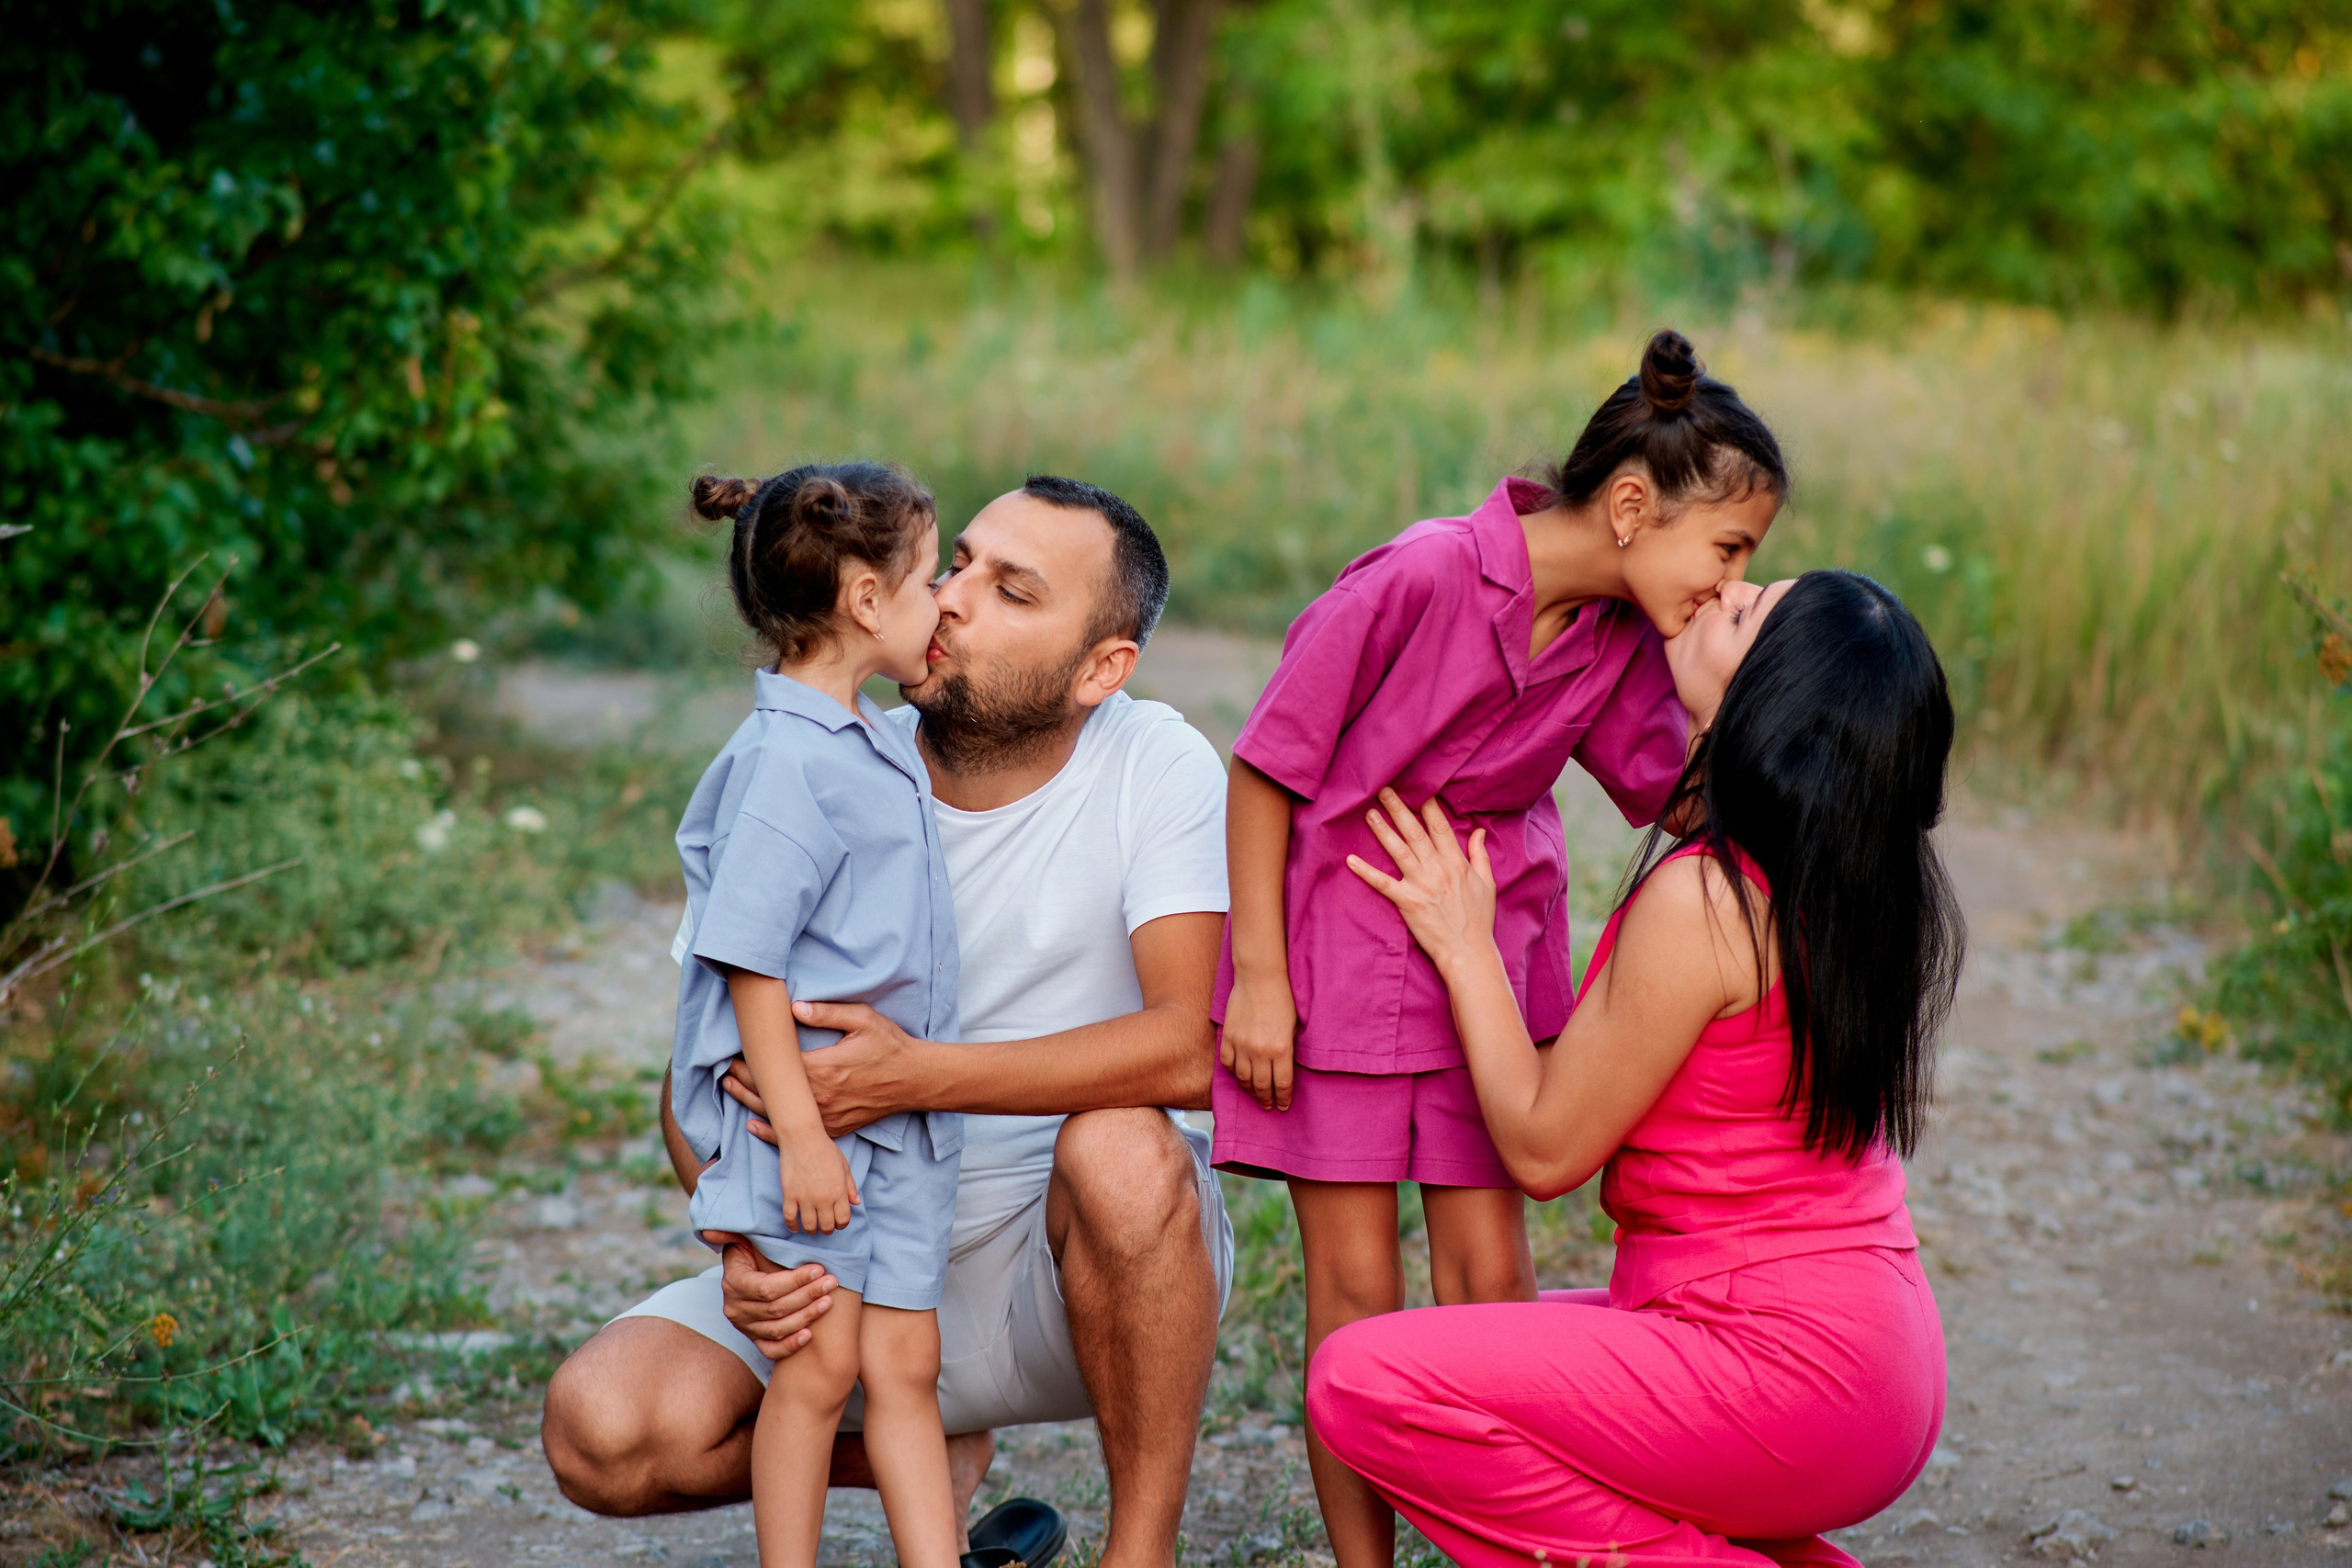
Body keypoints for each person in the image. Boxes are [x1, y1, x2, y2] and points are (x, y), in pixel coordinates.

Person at [543, 476, 1235, 1568]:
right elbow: (705, 1064)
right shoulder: (808, 766)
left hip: (1046, 1272)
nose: (955, 598)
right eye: (956, 564)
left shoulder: (1153, 763)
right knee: (604, 1432)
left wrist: (916, 1076)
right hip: (836, 1239)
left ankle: (1137, 1553)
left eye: (1013, 591)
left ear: (1103, 667)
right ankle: (922, 1460)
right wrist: (740, 1241)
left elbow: (1190, 1047)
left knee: (1124, 1149)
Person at [1213, 329, 1789, 1568]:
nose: (1732, 575)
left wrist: (1765, 696)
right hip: (1336, 965)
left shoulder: (1622, 636)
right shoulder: (1417, 577)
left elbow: (1675, 794)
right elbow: (1264, 767)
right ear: (1632, 506)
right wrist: (1260, 977)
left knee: (1491, 1281)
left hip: (1491, 960)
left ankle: (1517, 1543)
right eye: (1729, 549)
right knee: (1354, 1288)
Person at [1319, 570, 1962, 1568]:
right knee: (1499, 1364)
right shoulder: (1849, 884)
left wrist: (1463, 945)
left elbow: (1542, 1148)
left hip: (1789, 1366)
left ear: (1776, 701)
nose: (1724, 587)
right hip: (1874, 1364)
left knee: (1363, 1379)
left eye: (1746, 612)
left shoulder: (1709, 901)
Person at [664, 463, 965, 1568]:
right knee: (819, 1368)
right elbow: (744, 962)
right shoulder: (787, 763)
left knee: (903, 1372)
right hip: (814, 1133)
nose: (948, 603)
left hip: (896, 1127)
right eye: (932, 579)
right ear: (868, 602)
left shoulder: (869, 739)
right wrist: (798, 1140)